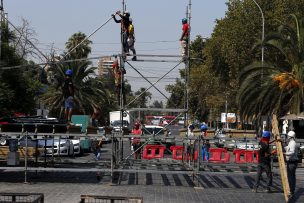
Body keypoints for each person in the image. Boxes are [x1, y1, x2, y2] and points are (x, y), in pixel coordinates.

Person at [284, 130, 298, 199]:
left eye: (288, 136)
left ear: (290, 137)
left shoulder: (292, 143)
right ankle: (291, 190)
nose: (287, 137)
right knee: (291, 177)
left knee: (291, 177)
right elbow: (288, 149)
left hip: (292, 162)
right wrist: (284, 146)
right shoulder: (291, 142)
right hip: (292, 162)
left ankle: (291, 191)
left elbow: (291, 152)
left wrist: (285, 154)